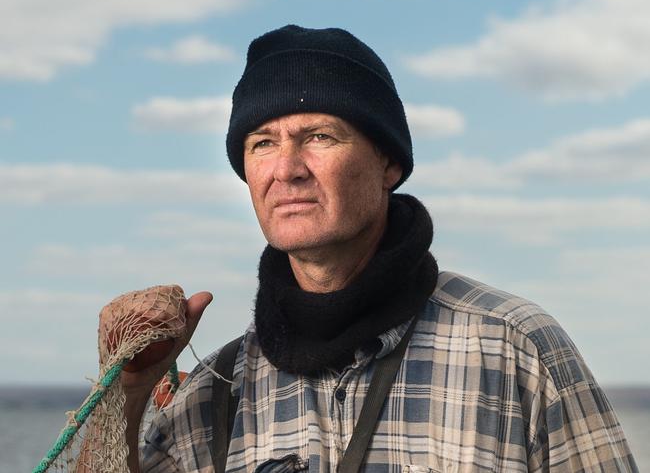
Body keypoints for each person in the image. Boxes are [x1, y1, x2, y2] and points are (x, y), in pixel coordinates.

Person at [110, 25, 638, 472]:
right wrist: (130, 392)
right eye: (262, 143)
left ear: (389, 164)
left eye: (319, 136)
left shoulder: (512, 346)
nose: (286, 168)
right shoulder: (216, 392)